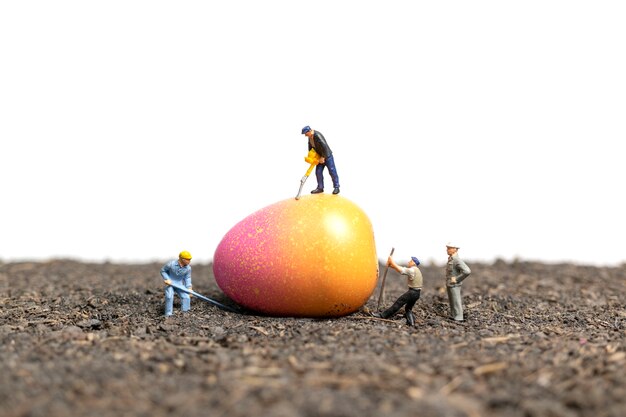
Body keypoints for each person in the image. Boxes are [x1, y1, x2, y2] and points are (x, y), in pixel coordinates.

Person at [373, 255, 423, 326]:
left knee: (398, 304)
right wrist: (391, 265)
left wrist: (392, 262)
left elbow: (401, 270)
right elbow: (400, 269)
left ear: (414, 263)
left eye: (411, 261)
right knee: (408, 309)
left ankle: (383, 315)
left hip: (412, 292)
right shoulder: (417, 270)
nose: (409, 262)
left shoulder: (412, 270)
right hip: (417, 293)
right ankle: (411, 323)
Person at [301, 126, 340, 195]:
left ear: (309, 131)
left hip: (327, 156)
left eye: (305, 133)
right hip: (319, 157)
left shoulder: (317, 135)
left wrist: (323, 157)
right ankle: (320, 188)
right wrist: (311, 156)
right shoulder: (310, 137)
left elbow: (324, 146)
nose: (305, 135)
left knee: (332, 171)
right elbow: (310, 147)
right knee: (318, 172)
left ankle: (336, 187)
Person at [161, 251, 193, 317]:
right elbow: (163, 271)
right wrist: (167, 279)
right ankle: (168, 314)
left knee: (186, 297)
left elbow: (187, 278)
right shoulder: (171, 264)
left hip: (179, 284)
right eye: (188, 259)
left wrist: (189, 288)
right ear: (182, 259)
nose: (189, 261)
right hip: (170, 283)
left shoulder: (188, 268)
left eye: (190, 259)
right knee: (169, 296)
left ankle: (185, 313)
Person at [445, 243, 471, 322]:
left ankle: (459, 318)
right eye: (447, 248)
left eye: (449, 248)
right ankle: (455, 316)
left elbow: (467, 271)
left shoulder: (456, 260)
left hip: (454, 284)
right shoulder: (451, 259)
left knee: (456, 301)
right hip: (450, 284)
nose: (447, 250)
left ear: (455, 249)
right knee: (452, 301)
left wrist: (457, 279)